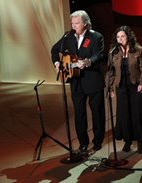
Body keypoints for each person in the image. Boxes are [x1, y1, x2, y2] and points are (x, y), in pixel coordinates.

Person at [51, 10, 105, 154]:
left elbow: (99, 55)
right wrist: (57, 63)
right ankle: (83, 143)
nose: (73, 26)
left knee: (97, 113)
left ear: (85, 23)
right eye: (72, 23)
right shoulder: (67, 36)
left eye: (77, 23)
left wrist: (87, 62)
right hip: (75, 81)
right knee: (79, 113)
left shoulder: (96, 37)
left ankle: (98, 141)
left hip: (93, 80)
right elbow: (54, 50)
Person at [107, 26, 142, 154]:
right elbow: (110, 71)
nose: (120, 39)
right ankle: (127, 141)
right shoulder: (113, 52)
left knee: (137, 113)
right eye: (118, 37)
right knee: (124, 114)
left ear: (128, 37)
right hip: (121, 87)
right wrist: (110, 87)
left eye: (122, 36)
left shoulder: (137, 49)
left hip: (136, 85)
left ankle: (140, 141)